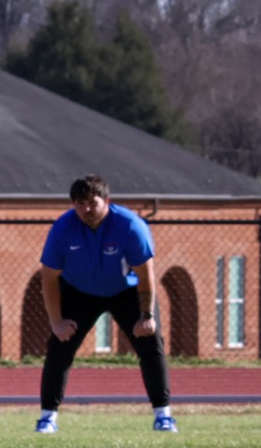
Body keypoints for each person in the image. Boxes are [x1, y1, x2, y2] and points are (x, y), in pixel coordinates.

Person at [34, 174, 175, 434]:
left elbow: (146, 274)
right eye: (79, 203)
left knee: (151, 344)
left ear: (106, 201)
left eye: (92, 202)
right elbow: (49, 277)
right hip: (79, 291)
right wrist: (56, 321)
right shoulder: (63, 228)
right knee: (59, 346)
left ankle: (163, 415)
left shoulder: (130, 225)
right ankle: (47, 418)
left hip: (125, 290)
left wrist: (147, 315)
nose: (86, 209)